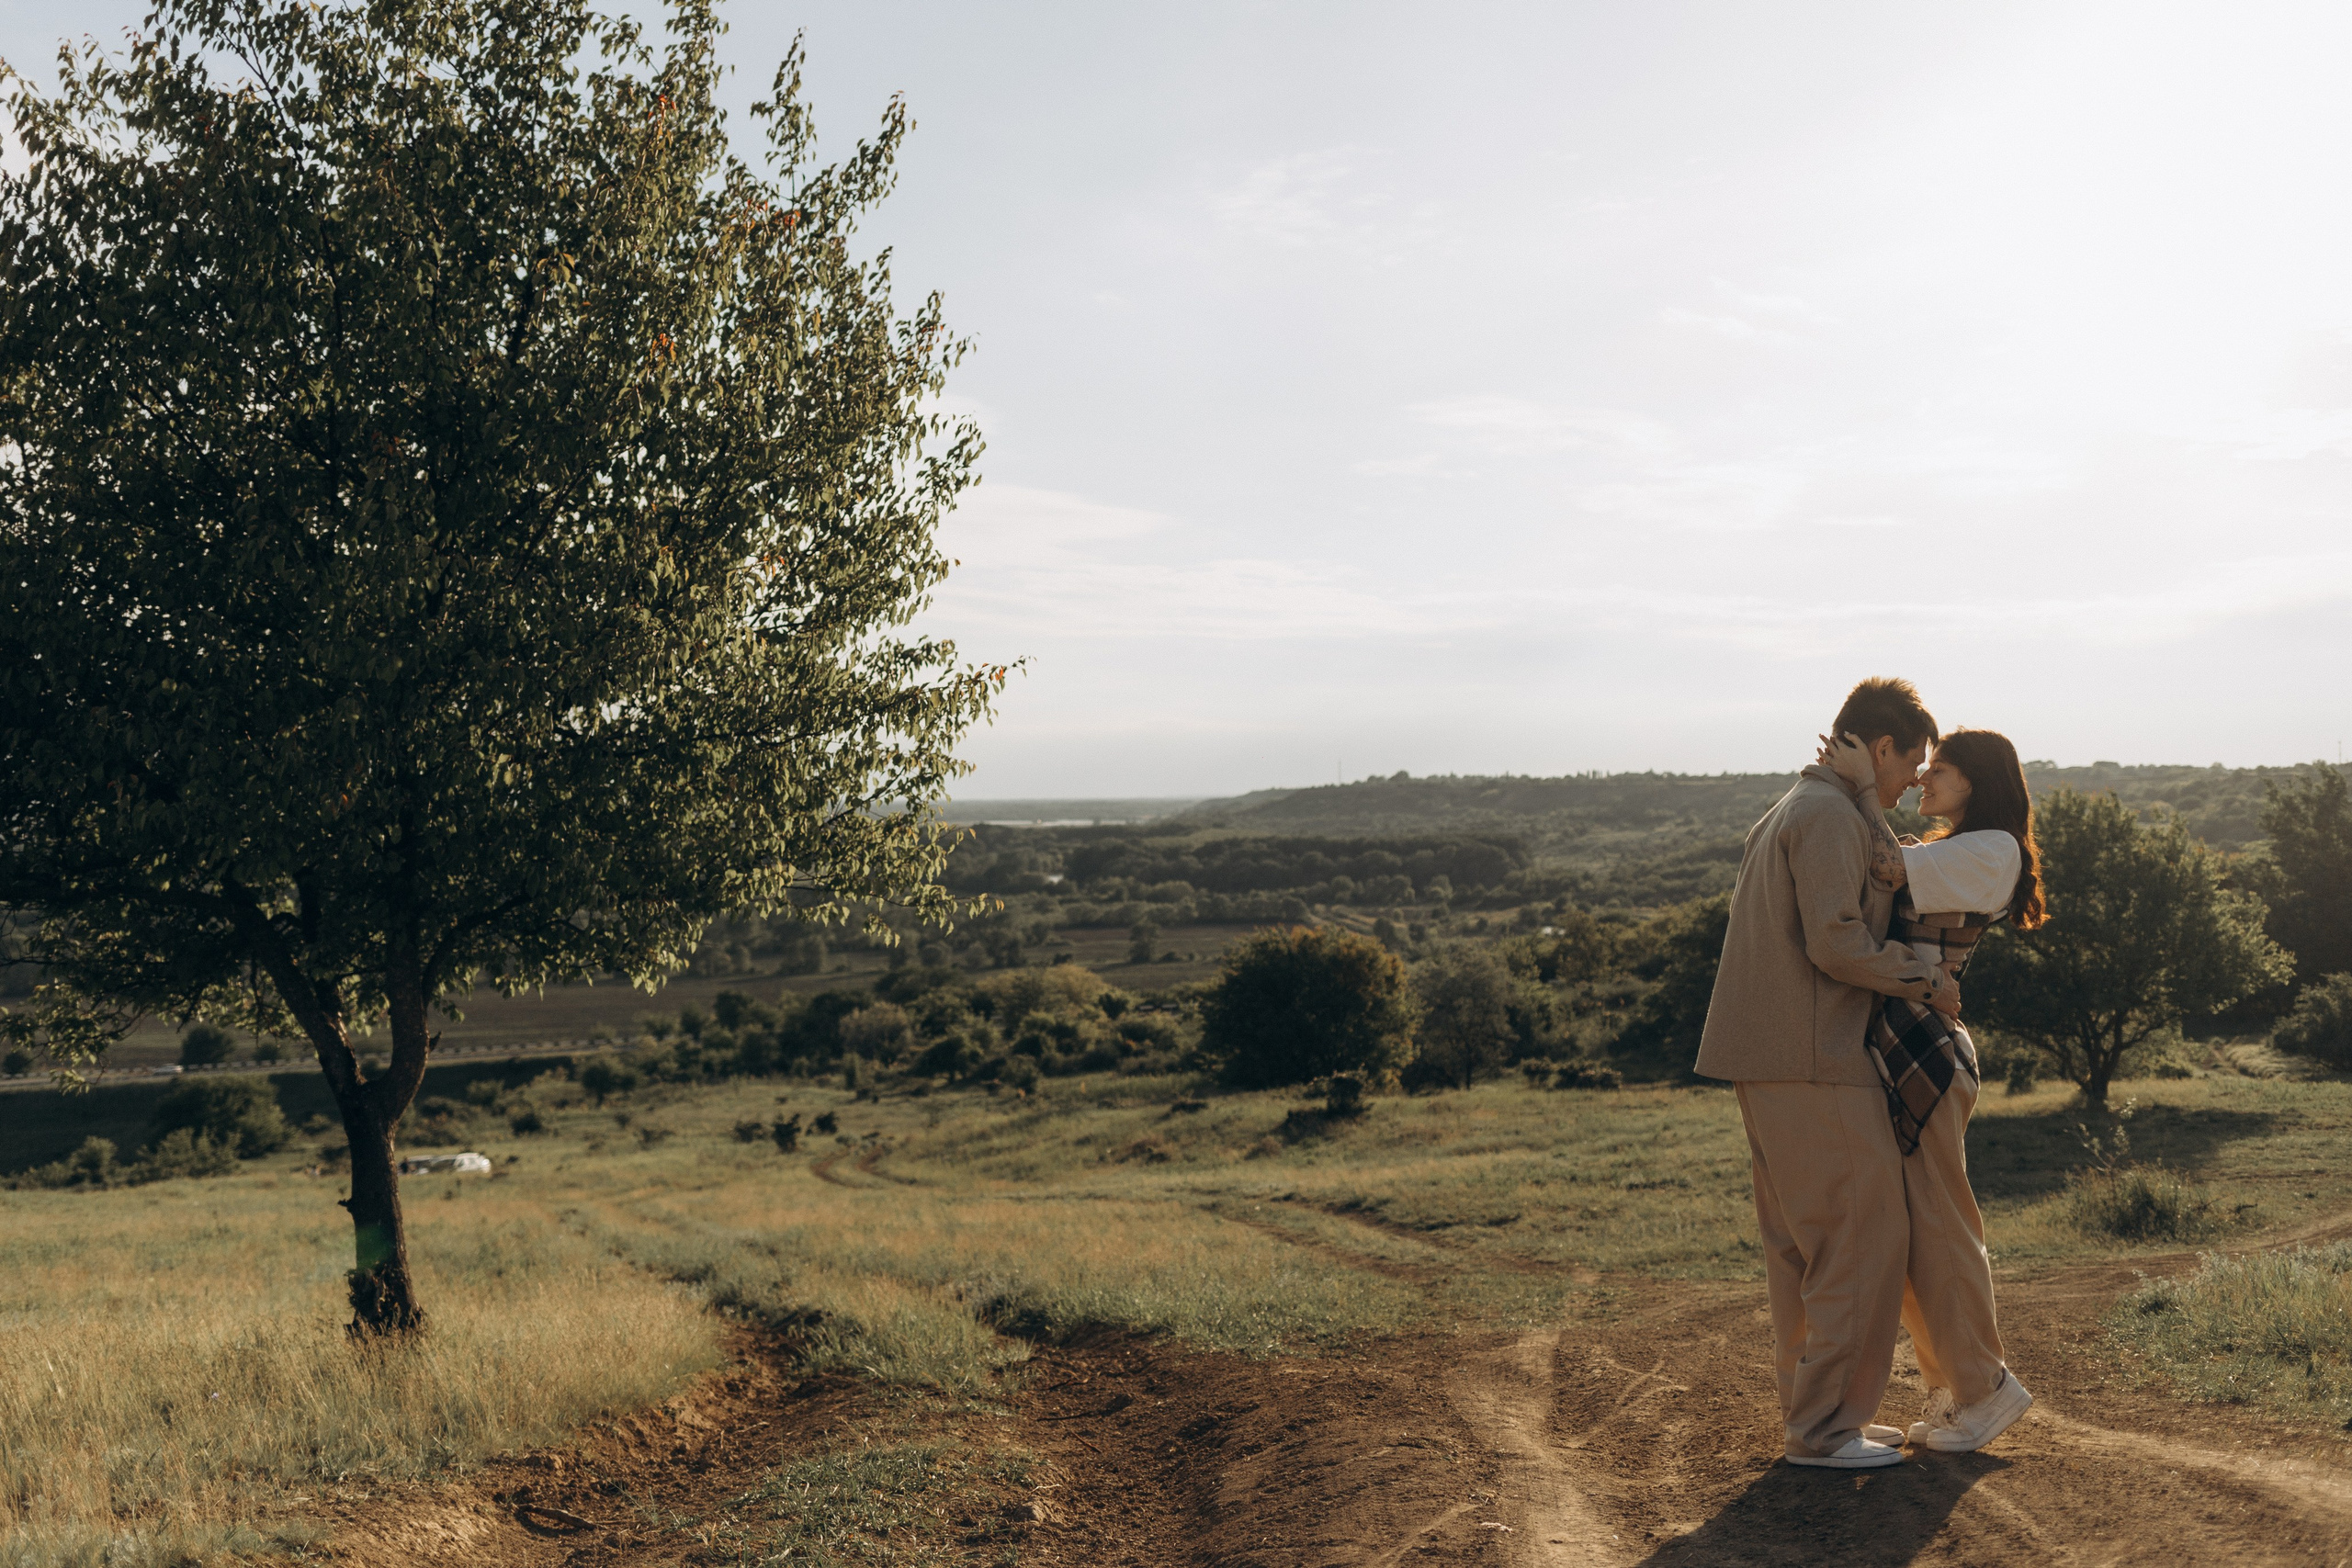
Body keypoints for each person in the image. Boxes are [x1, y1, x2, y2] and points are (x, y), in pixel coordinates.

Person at [1695, 677, 1959, 1470]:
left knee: (1805, 1250)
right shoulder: (1828, 817)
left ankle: (1819, 1417)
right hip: (1816, 1056)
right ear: (1881, 747)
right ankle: (1823, 1430)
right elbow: (1837, 943)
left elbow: (1861, 877)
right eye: (1911, 760)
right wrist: (1924, 976)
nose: (1917, 778)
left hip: (1776, 1057)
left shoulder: (1807, 806)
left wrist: (1865, 799)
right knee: (1858, 1239)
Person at [1822, 726, 2045, 1454]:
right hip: (1902, 1046)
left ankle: (1987, 1387)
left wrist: (1859, 782)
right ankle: (1953, 1388)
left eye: (1937, 770)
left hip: (1927, 1051)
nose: (1923, 781)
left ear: (1974, 780)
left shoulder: (1992, 849)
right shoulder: (1958, 848)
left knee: (1942, 1227)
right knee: (1914, 1233)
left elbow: (1883, 864)